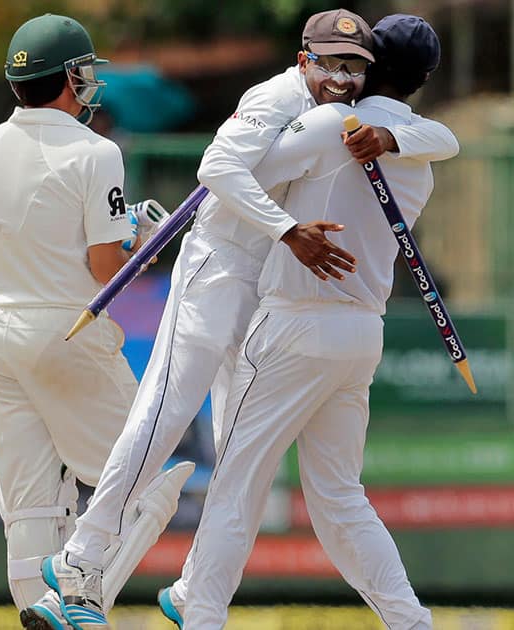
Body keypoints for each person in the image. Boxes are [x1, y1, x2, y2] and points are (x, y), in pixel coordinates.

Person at [38, 8, 459, 630]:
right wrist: (292, 225)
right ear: (302, 58)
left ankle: (173, 595)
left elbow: (431, 138)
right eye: (332, 62)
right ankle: (87, 556)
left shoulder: (339, 120)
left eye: (355, 65)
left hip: (278, 296)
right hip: (232, 268)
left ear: (373, 72)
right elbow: (220, 170)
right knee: (172, 409)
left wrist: (385, 140)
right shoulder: (297, 103)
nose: (342, 76)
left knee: (238, 467)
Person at [168, 15, 457, 629]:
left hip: (293, 324)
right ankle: (411, 622)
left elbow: (238, 176)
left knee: (237, 485)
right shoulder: (421, 150)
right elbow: (438, 137)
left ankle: (202, 619)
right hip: (361, 334)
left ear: (369, 65)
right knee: (340, 499)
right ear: (425, 81)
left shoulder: (329, 122)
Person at [0, 14, 181, 629]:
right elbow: (103, 266)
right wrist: (147, 241)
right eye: (83, 73)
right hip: (69, 332)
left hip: (0, 336)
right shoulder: (98, 151)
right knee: (148, 486)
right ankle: (78, 604)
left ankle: (38, 611)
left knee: (31, 506)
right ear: (68, 78)